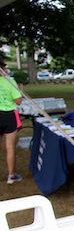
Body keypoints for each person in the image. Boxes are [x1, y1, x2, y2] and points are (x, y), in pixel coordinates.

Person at [0, 56, 23, 184]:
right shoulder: (10, 82)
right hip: (8, 115)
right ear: (3, 68)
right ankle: (11, 175)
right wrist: (20, 89)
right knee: (10, 148)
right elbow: (18, 101)